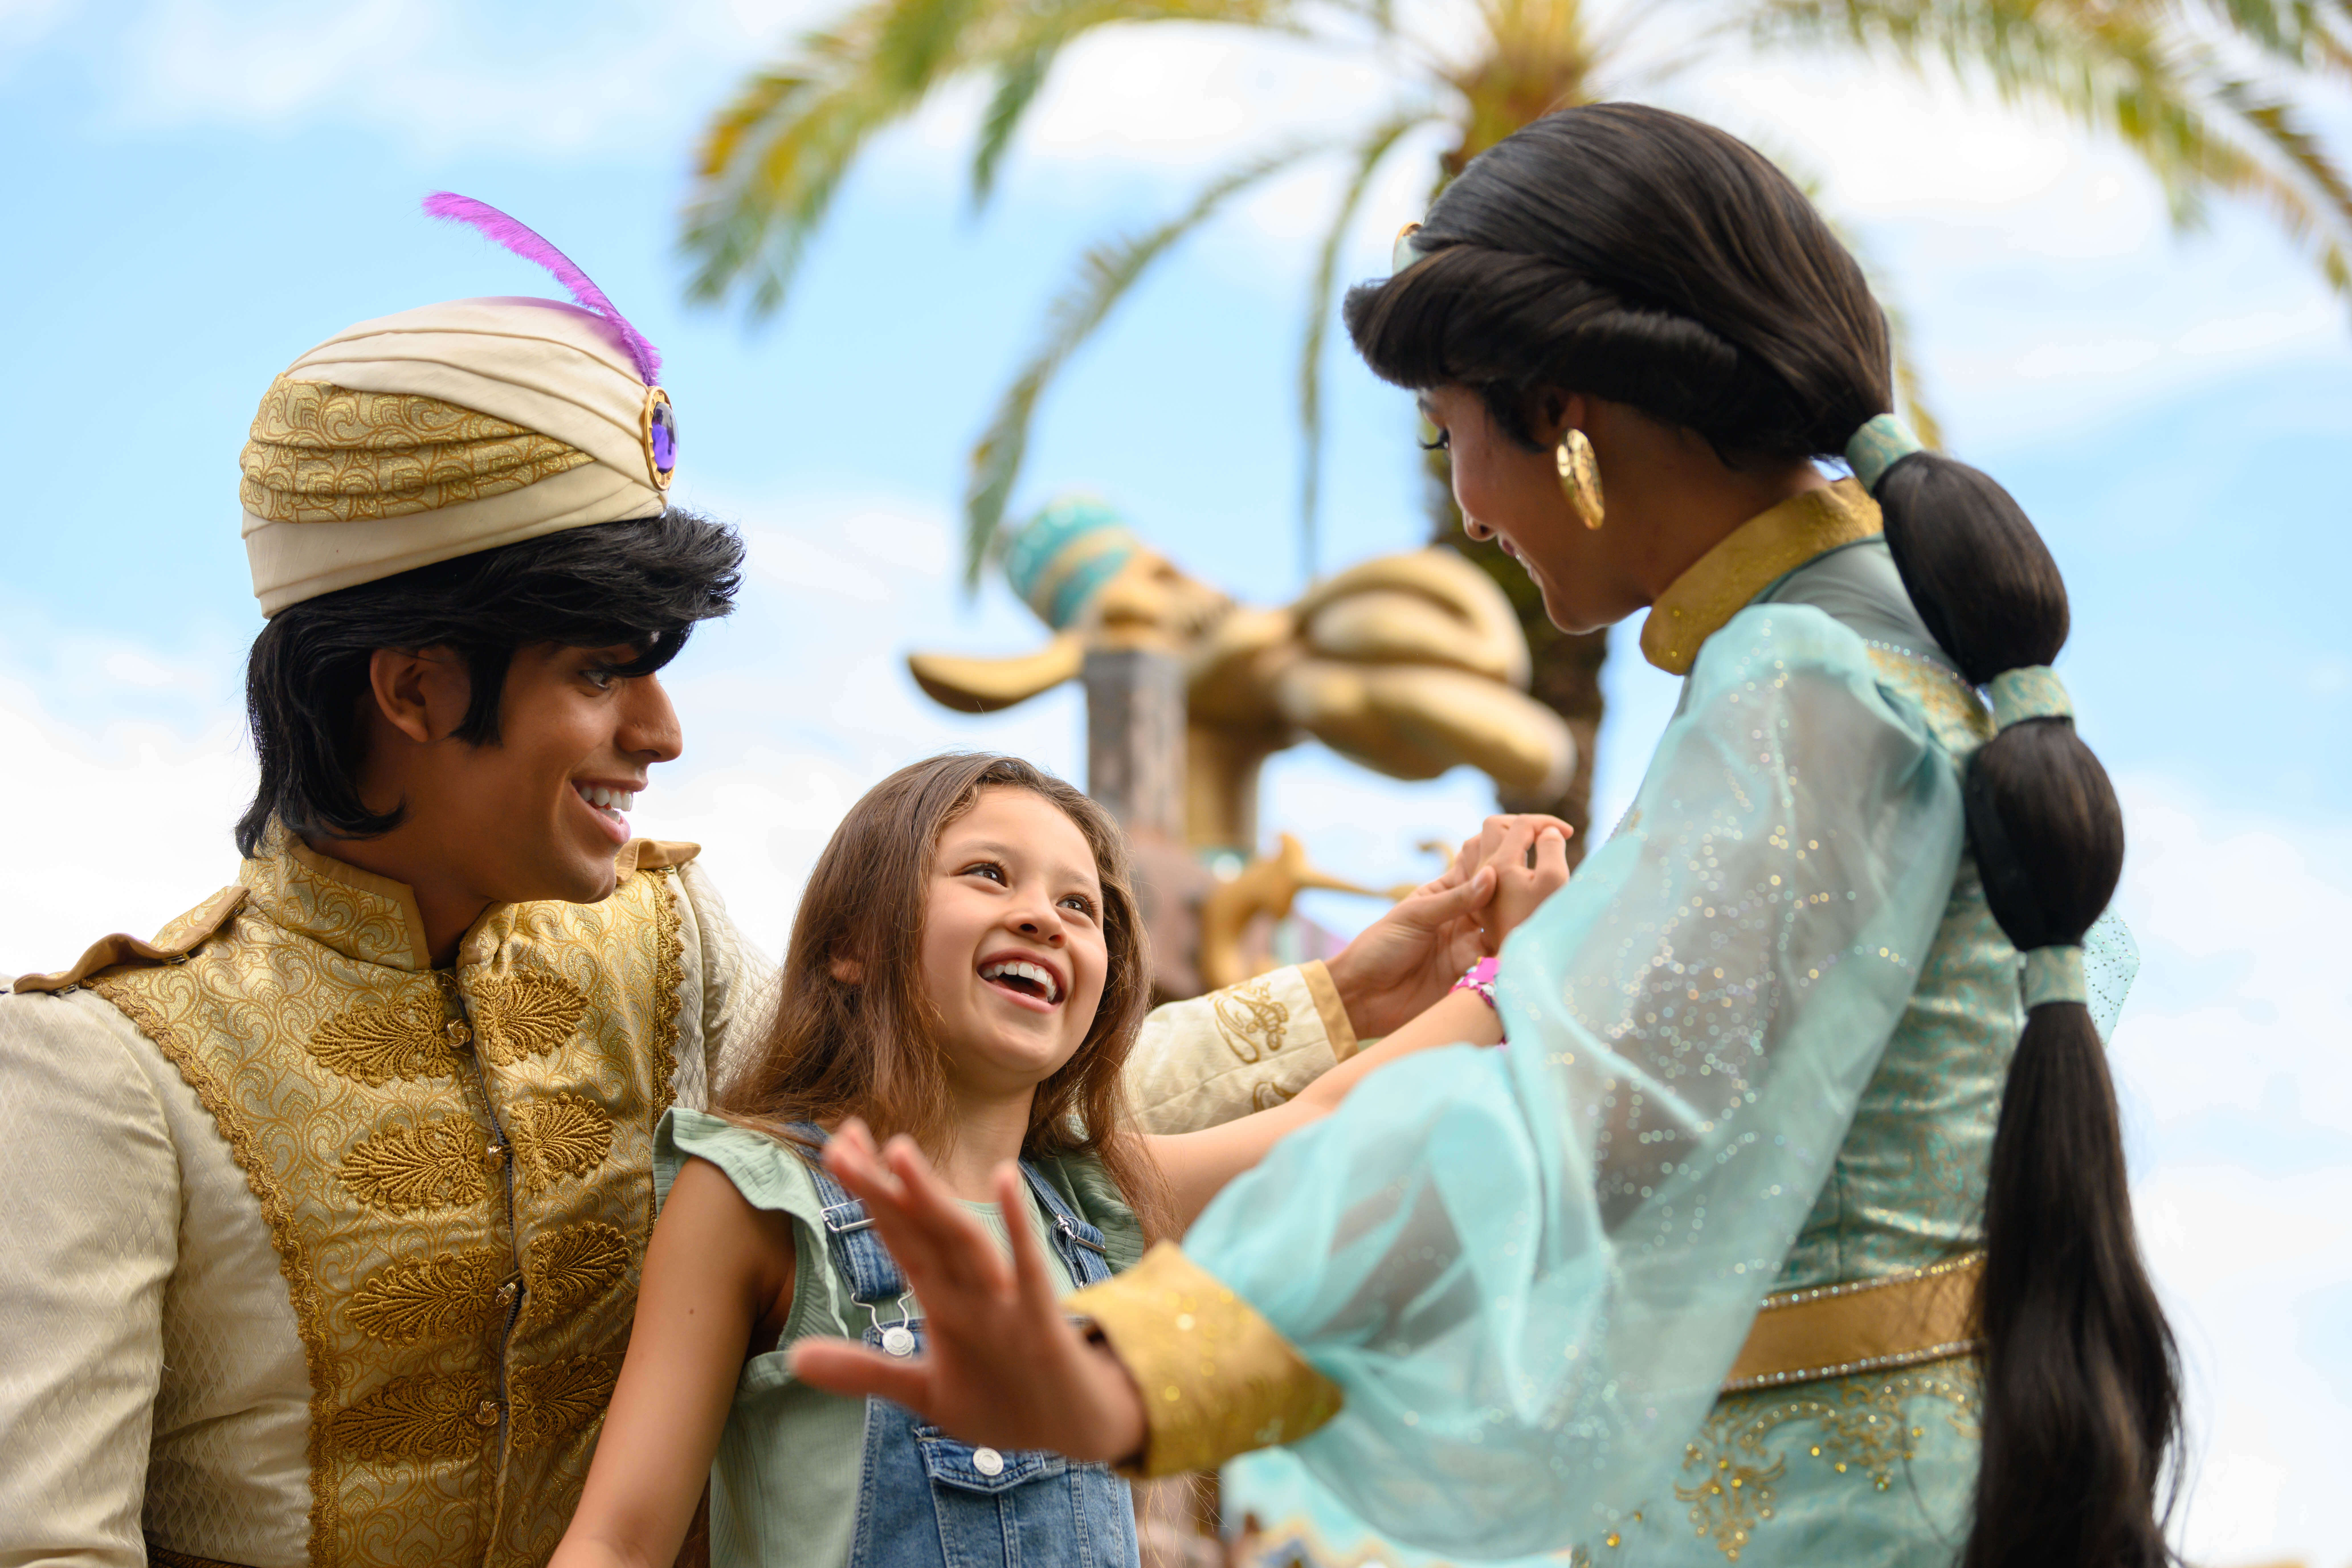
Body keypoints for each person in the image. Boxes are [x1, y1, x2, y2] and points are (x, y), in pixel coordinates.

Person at [769, 104, 2182, 1568]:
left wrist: (1134, 1369)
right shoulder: (1881, 652)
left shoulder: (1804, 686)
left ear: (1568, 417)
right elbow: (1534, 1089)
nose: (1465, 506)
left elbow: (1563, 1137)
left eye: (1451, 434)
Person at [0, 197, 1498, 1568]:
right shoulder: (104, 1074)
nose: (660, 733)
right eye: (603, 676)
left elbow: (953, 1104)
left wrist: (1333, 1000)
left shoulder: (661, 948)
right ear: (412, 688)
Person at [544, 752, 1569, 1568]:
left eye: (1082, 908)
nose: (1044, 915)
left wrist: (1505, 978)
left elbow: (1337, 1115)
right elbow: (619, 1541)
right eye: (989, 875)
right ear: (851, 944)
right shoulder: (761, 1193)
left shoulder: (1095, 1203)